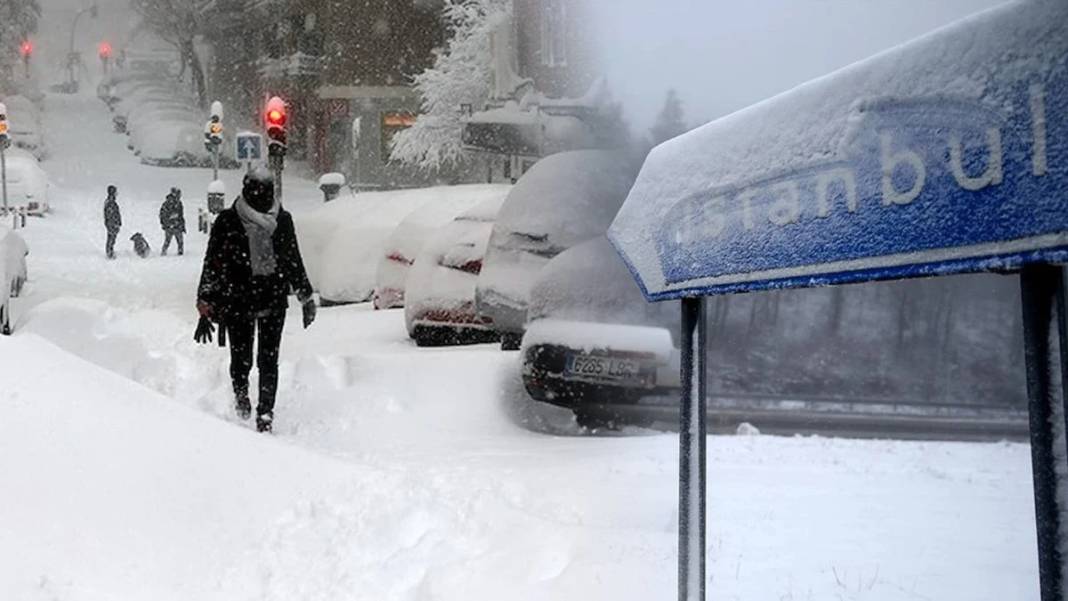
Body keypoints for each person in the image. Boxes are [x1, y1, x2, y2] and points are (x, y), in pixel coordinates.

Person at [194, 168, 317, 433]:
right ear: (246, 189)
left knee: (268, 360)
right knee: (242, 358)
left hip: (273, 299)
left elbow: (292, 258)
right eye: (256, 189)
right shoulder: (227, 221)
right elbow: (213, 262)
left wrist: (305, 295)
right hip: (237, 300)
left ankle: (265, 413)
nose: (261, 195)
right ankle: (242, 396)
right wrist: (205, 299)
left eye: (266, 189)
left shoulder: (282, 220)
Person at [160, 187, 186, 256]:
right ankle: (164, 252)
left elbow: (181, 215)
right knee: (168, 241)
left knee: (179, 241)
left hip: (176, 225)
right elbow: (162, 215)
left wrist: (182, 225)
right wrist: (166, 223)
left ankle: (179, 253)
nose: (179, 197)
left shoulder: (179, 203)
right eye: (178, 195)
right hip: (170, 226)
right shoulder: (167, 204)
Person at [103, 185, 121, 259]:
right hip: (112, 224)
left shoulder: (110, 201)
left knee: (111, 238)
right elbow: (111, 215)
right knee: (111, 239)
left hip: (112, 224)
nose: (117, 193)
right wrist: (115, 223)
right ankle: (109, 253)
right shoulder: (110, 202)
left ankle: (110, 252)